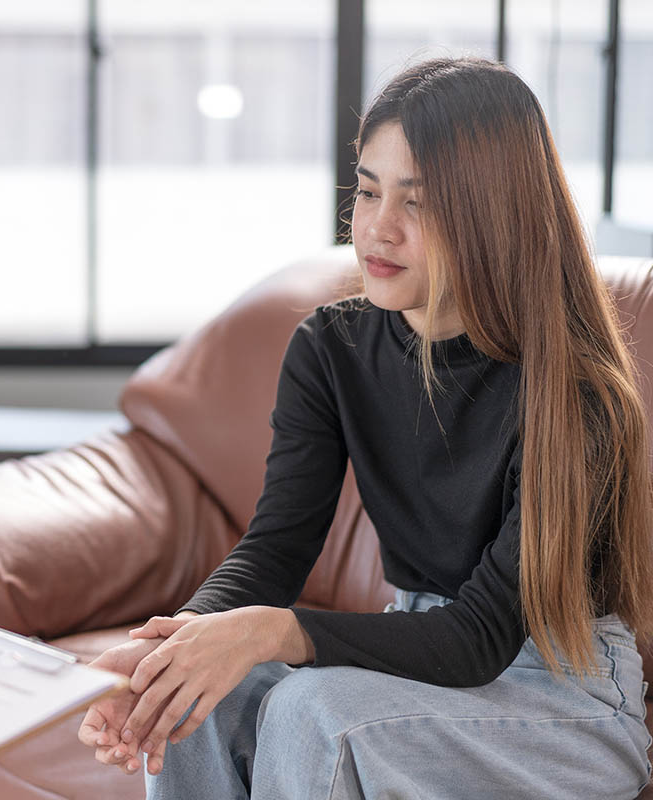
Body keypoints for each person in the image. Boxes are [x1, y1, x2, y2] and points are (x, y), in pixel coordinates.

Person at [77, 57, 653, 799]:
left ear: (491, 213)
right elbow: (276, 547)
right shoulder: (332, 348)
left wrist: (277, 632)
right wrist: (169, 649)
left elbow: (478, 638)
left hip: (567, 697)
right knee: (204, 694)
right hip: (414, 654)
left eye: (419, 203)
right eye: (369, 191)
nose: (379, 229)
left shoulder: (576, 394)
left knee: (315, 712)